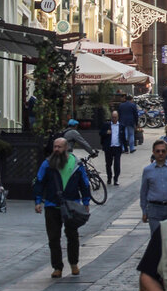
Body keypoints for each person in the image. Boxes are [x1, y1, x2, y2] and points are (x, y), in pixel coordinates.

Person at [34, 136, 90, 277]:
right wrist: (38, 201)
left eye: (59, 147)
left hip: (71, 205)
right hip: (52, 205)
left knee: (72, 236)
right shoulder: (47, 164)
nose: (56, 149)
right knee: (53, 238)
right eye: (55, 147)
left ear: (66, 148)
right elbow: (39, 182)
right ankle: (57, 267)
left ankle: (73, 263)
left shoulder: (76, 164)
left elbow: (84, 183)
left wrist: (86, 201)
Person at [140, 139, 167, 235]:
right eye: (158, 151)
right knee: (156, 238)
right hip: (154, 208)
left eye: (163, 151)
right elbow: (143, 191)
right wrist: (144, 210)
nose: (160, 153)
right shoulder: (147, 170)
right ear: (153, 152)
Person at [100, 109, 124, 185]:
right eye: (113, 117)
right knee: (108, 164)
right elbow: (101, 133)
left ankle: (116, 178)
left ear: (118, 117)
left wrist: (125, 147)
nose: (114, 119)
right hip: (109, 147)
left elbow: (123, 137)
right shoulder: (106, 125)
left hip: (117, 147)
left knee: (117, 164)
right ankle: (109, 177)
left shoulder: (121, 126)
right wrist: (106, 132)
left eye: (115, 117)